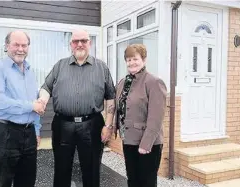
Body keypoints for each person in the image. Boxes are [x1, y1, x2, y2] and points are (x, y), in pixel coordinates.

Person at [38, 29, 116, 187]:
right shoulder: (60, 66)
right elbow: (46, 87)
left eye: (83, 41)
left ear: (90, 43)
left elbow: (110, 97)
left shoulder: (102, 68)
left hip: (92, 124)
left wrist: (108, 125)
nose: (79, 44)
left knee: (91, 169)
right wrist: (41, 101)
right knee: (61, 169)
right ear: (70, 45)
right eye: (75, 41)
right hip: (62, 125)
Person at [0, 30, 45, 187]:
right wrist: (31, 106)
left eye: (24, 45)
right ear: (6, 46)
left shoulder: (30, 71)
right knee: (3, 182)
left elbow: (36, 104)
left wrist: (36, 130)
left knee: (27, 181)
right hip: (5, 133)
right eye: (16, 44)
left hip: (28, 133)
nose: (20, 49)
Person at [114, 44, 167, 187]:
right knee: (132, 180)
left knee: (146, 183)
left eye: (135, 59)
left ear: (144, 60)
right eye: (128, 59)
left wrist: (146, 144)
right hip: (129, 140)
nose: (131, 62)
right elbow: (117, 108)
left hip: (147, 143)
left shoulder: (154, 82)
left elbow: (156, 117)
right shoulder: (123, 82)